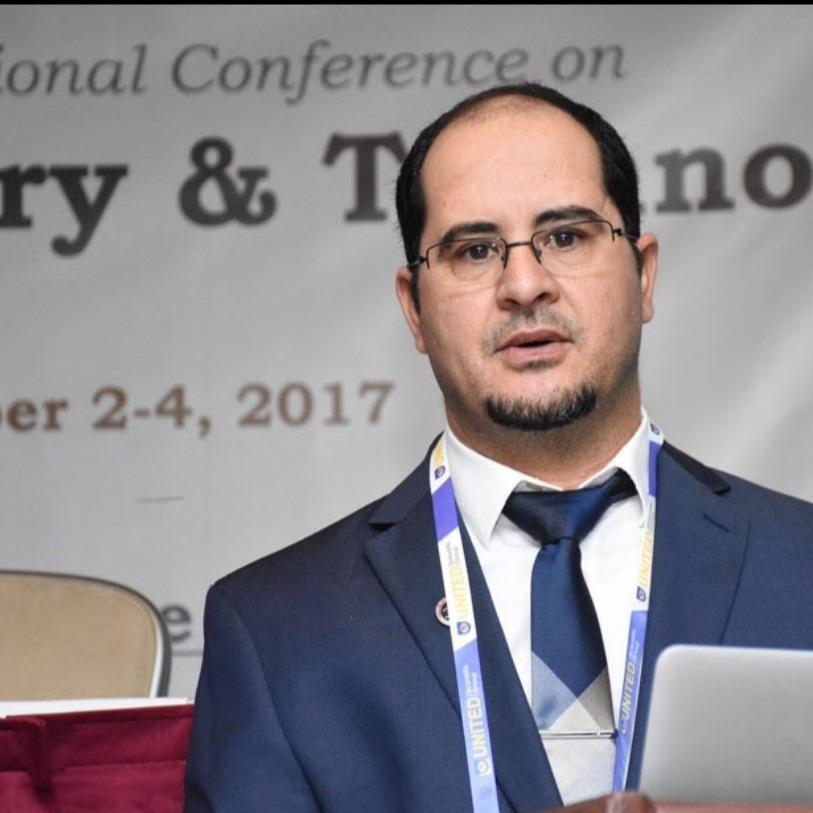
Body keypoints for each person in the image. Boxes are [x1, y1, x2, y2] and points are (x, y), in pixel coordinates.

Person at [183, 83, 813, 813]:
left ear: (643, 275)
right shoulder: (275, 629)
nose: (523, 284)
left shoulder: (798, 563)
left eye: (567, 236)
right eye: (474, 250)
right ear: (414, 310)